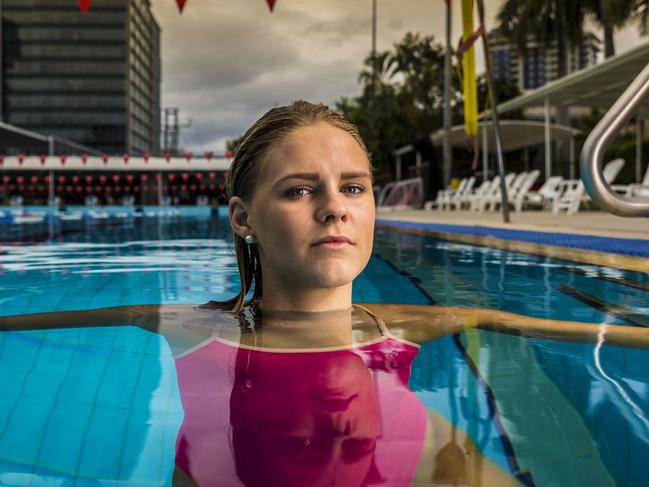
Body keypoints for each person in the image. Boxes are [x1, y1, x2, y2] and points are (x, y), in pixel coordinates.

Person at [0, 101, 639, 486]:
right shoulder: (188, 324)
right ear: (242, 217)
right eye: (300, 190)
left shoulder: (411, 322)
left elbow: (602, 336)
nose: (336, 209)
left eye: (354, 187)